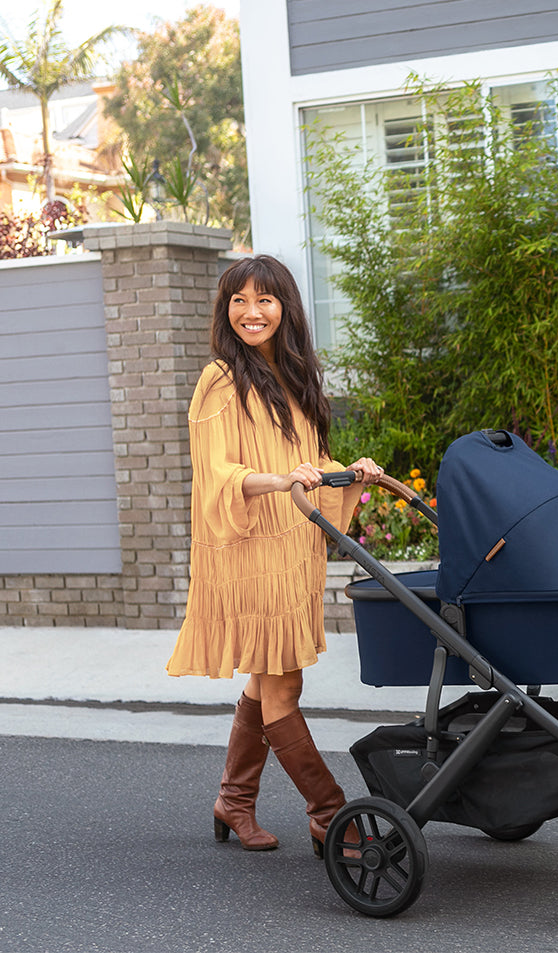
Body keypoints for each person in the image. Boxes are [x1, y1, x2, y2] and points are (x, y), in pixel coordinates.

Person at [166, 254, 384, 857]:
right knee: (282, 687)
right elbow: (217, 475)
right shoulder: (219, 380)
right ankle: (329, 815)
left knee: (269, 685)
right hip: (248, 549)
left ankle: (233, 801)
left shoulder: (295, 375)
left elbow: (311, 467)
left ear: (284, 307)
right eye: (239, 300)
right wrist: (279, 479)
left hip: (291, 548)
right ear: (225, 309)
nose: (251, 312)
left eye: (264, 300)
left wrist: (351, 474)